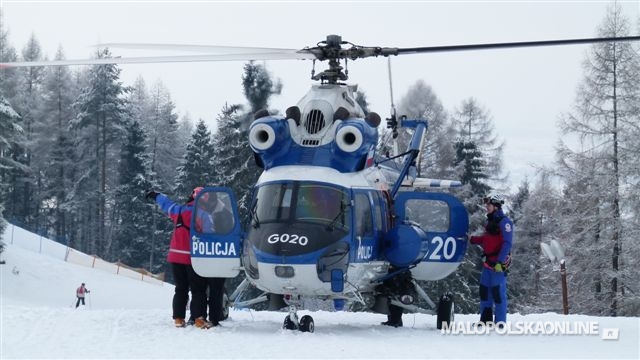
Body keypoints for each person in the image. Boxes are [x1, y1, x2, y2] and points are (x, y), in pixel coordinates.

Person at [146, 187, 212, 329]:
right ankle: (199, 319)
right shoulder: (204, 215)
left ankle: (179, 318)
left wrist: (156, 195)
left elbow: (166, 204)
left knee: (180, 288)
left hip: (175, 257)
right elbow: (211, 235)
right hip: (194, 258)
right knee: (198, 289)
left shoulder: (179, 210)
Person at [469, 193, 513, 325]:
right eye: (486, 204)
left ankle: (500, 323)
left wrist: (500, 262)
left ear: (496, 206)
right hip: (488, 265)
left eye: (489, 205)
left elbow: (507, 243)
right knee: (484, 292)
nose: (486, 207)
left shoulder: (505, 222)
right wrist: (472, 239)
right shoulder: (490, 221)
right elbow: (486, 240)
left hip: (498, 265)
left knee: (498, 294)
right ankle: (486, 321)